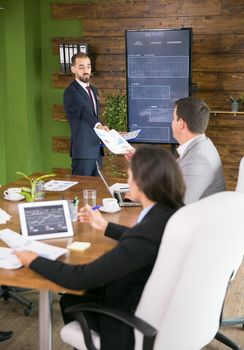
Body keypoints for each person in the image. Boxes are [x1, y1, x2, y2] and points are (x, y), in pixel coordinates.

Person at [15, 145, 185, 350]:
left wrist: (33, 259)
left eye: (129, 176)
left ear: (142, 183)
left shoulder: (147, 233)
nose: (126, 182)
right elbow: (144, 242)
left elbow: (79, 278)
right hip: (162, 310)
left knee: (71, 300)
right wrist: (106, 227)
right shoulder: (173, 213)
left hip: (128, 320)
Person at [172, 97, 225, 204]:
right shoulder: (201, 145)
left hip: (198, 219)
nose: (172, 122)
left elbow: (180, 205)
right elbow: (169, 168)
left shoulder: (198, 157)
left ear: (181, 123)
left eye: (173, 118)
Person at [64, 52, 109, 176]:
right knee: (81, 191)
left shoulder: (93, 90)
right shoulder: (71, 92)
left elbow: (93, 116)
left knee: (98, 191)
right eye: (81, 67)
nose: (86, 70)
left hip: (96, 151)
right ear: (73, 69)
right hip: (83, 152)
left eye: (88, 66)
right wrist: (99, 125)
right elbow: (84, 111)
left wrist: (110, 134)